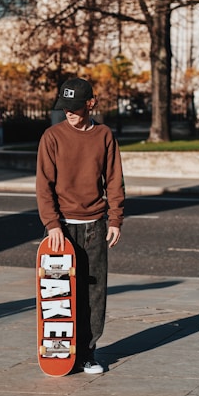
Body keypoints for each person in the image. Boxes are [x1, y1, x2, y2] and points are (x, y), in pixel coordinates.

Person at [36, 78, 125, 374]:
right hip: (62, 228)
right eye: (65, 108)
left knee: (94, 293)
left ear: (91, 103)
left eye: (74, 107)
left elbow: (114, 179)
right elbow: (43, 186)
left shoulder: (104, 135)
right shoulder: (52, 137)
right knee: (61, 294)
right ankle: (62, 352)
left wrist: (115, 219)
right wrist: (52, 225)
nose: (69, 113)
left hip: (95, 226)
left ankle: (88, 352)